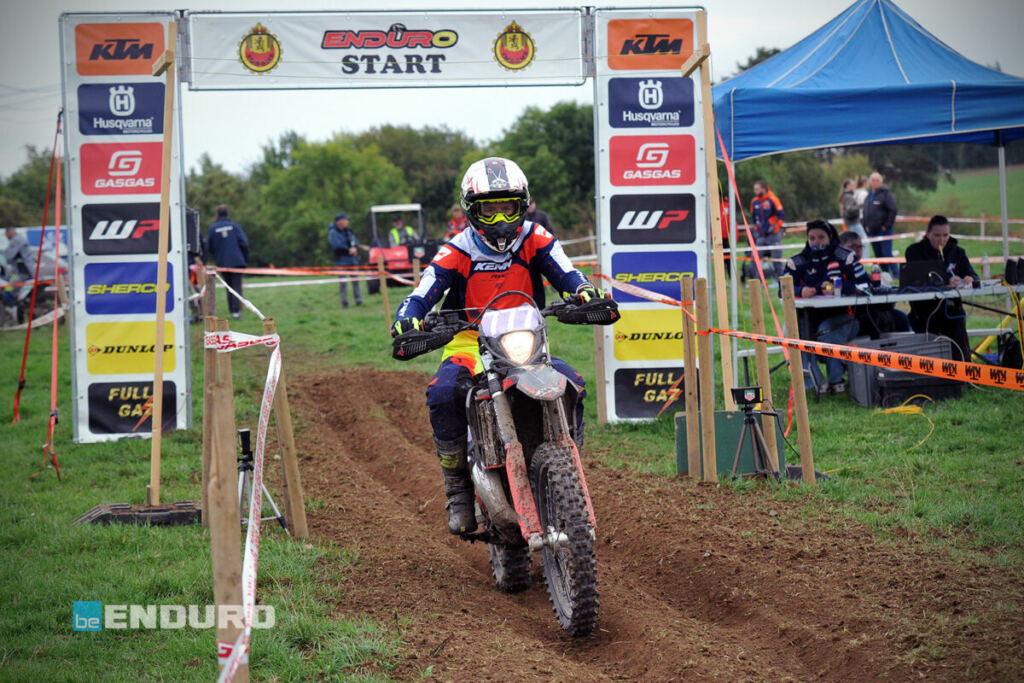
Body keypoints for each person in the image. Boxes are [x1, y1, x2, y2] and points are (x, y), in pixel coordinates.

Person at [390, 157, 604, 535]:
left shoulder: (535, 237)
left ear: (522, 205)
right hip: (470, 342)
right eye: (489, 209)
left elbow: (567, 272)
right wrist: (409, 316)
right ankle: (457, 487)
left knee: (572, 382)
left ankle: (568, 466)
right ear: (472, 210)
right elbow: (423, 292)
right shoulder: (457, 249)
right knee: (443, 393)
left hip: (528, 343)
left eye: (507, 207)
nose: (501, 219)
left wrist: (584, 291)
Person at [783, 220, 869, 394]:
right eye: (812, 238)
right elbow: (782, 288)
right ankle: (815, 383)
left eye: (821, 237)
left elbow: (865, 285)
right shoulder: (798, 261)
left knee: (827, 331)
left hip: (844, 318)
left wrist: (839, 288)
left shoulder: (846, 257)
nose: (817, 242)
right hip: (807, 317)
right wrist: (800, 290)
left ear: (830, 237)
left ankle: (836, 380)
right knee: (791, 330)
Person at [904, 215, 978, 361]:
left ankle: (963, 367)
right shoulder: (914, 251)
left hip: (952, 309)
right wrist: (945, 282)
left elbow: (973, 274)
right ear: (928, 234)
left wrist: (969, 278)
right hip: (924, 310)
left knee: (957, 323)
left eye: (945, 235)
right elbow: (915, 280)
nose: (941, 240)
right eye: (936, 235)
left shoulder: (957, 252)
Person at [838, 230, 911, 338]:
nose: (857, 250)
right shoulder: (836, 269)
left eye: (860, 247)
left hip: (871, 312)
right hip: (851, 316)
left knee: (900, 317)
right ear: (840, 249)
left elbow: (872, 287)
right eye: (852, 246)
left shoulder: (860, 270)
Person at [205, 204, 249, 320]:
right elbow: (244, 243)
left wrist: (217, 255)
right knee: (237, 286)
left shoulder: (212, 228)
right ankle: (236, 311)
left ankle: (233, 311)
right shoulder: (235, 226)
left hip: (222, 262)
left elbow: (209, 247)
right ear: (227, 214)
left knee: (228, 287)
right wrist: (245, 258)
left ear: (217, 214)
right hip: (237, 261)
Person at [862, 172, 899, 276]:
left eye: (877, 180)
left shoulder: (886, 194)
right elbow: (865, 211)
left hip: (884, 231)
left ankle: (897, 274)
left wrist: (886, 226)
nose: (875, 182)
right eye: (873, 180)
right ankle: (886, 274)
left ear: (881, 182)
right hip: (872, 231)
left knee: (886, 253)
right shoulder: (868, 195)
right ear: (870, 182)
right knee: (878, 255)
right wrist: (865, 225)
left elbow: (893, 210)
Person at [749, 180, 785, 279]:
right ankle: (757, 281)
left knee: (777, 261)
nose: (755, 191)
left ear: (764, 189)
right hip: (761, 237)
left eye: (757, 189)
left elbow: (781, 216)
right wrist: (756, 230)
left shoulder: (773, 199)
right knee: (754, 258)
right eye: (754, 189)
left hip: (774, 236)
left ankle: (780, 282)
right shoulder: (754, 202)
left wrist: (775, 228)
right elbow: (753, 218)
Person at [328, 211, 362, 308]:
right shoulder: (333, 233)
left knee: (356, 281)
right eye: (345, 220)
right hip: (341, 261)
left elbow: (355, 242)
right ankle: (344, 303)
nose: (347, 221)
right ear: (340, 221)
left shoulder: (349, 232)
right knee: (343, 283)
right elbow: (336, 246)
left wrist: (355, 248)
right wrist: (349, 250)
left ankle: (359, 301)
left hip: (352, 260)